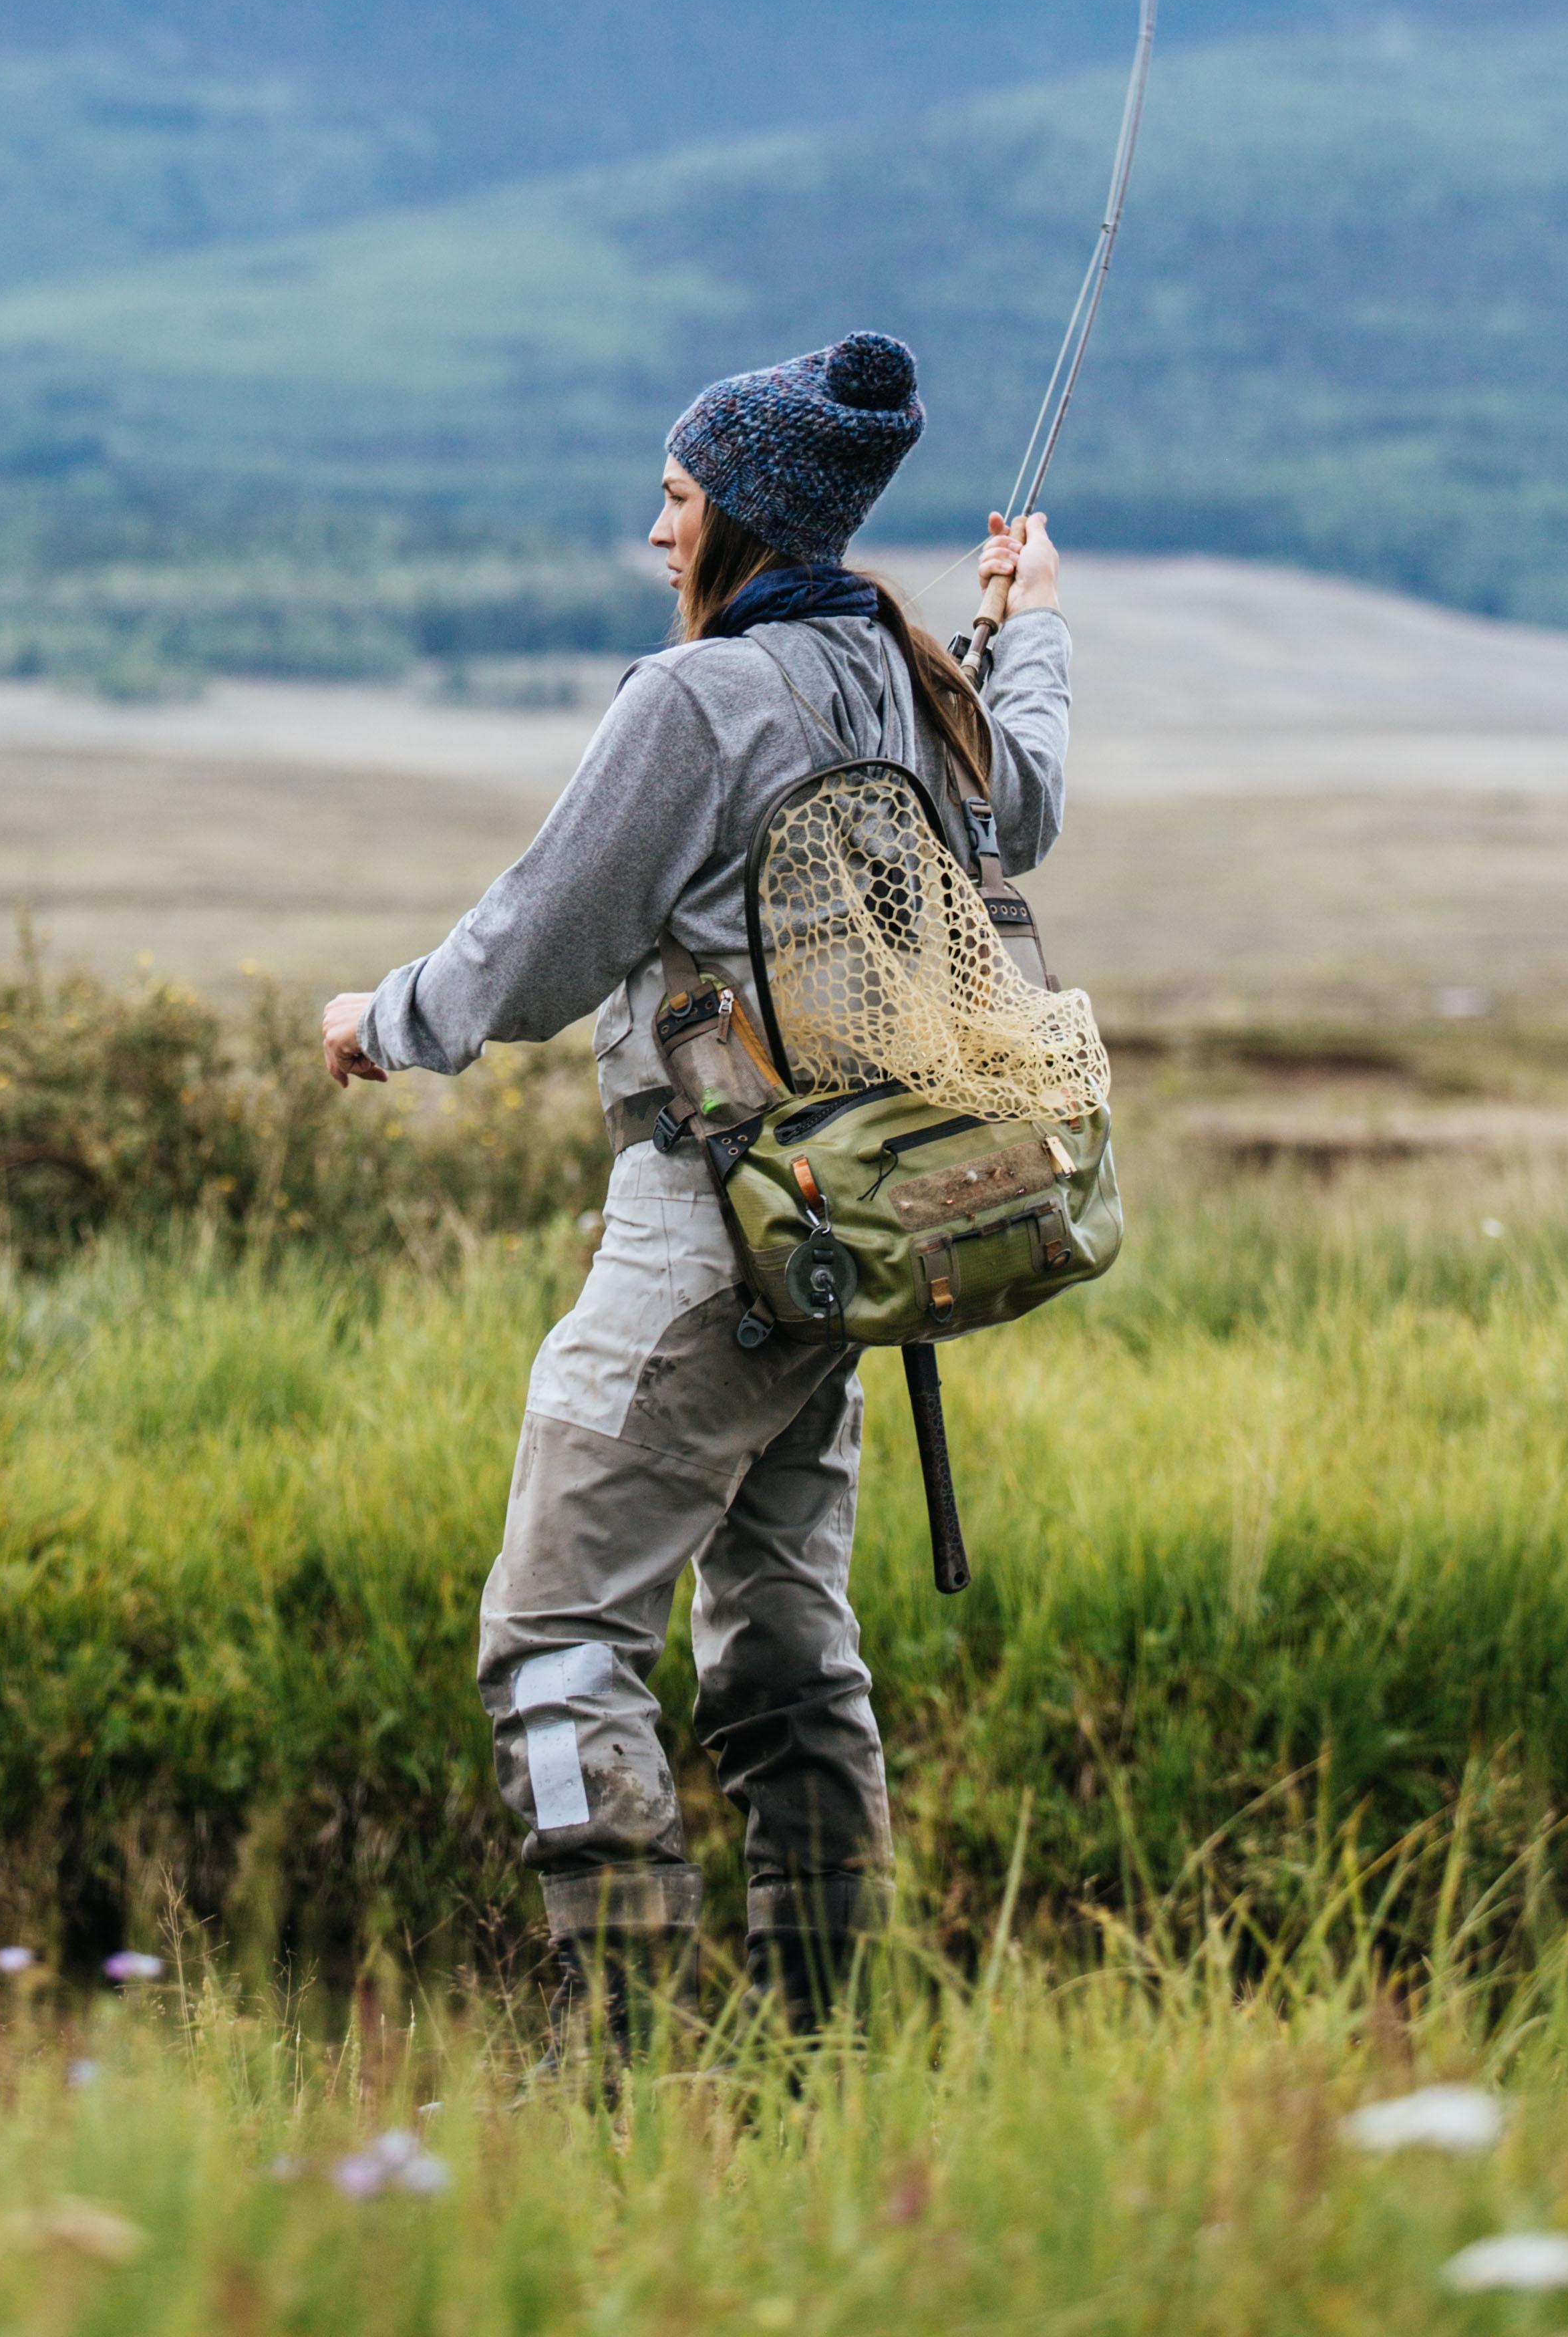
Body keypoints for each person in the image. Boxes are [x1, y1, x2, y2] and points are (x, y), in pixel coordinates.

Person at [320, 328, 1072, 2026]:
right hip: (839, 1254)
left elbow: (532, 953)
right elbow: (1019, 807)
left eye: (677, 499)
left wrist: (381, 1021)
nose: (660, 534)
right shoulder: (907, 671)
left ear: (743, 513)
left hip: (708, 1237)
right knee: (790, 1658)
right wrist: (1038, 637)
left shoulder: (700, 698)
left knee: (560, 1638)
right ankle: (825, 2058)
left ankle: (634, 2067)